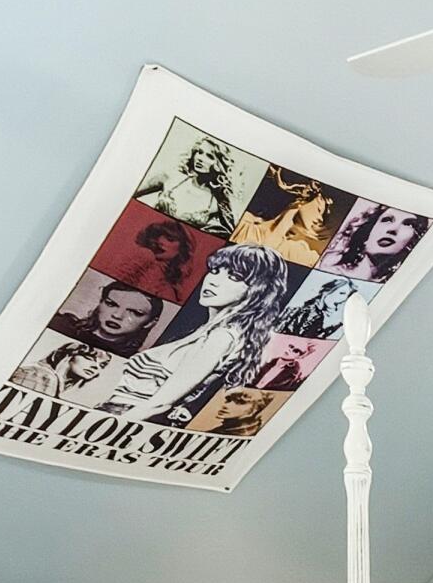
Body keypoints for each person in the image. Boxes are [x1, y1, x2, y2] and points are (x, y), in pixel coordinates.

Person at [99, 243, 293, 425]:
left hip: (124, 417)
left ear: (257, 290)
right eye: (215, 270)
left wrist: (113, 425)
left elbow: (158, 404)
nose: (214, 281)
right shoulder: (209, 331)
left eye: (234, 276)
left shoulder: (221, 336)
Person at [232, 166, 338, 267]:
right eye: (318, 209)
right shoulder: (243, 224)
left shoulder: (298, 252)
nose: (320, 218)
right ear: (304, 197)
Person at [318, 199, 428, 284]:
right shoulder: (332, 269)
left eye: (408, 224)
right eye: (387, 220)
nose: (393, 229)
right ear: (367, 232)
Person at [48, 277, 161, 356]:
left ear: (150, 322)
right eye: (111, 304)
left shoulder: (133, 362)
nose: (117, 315)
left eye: (136, 312)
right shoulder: (59, 324)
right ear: (100, 302)